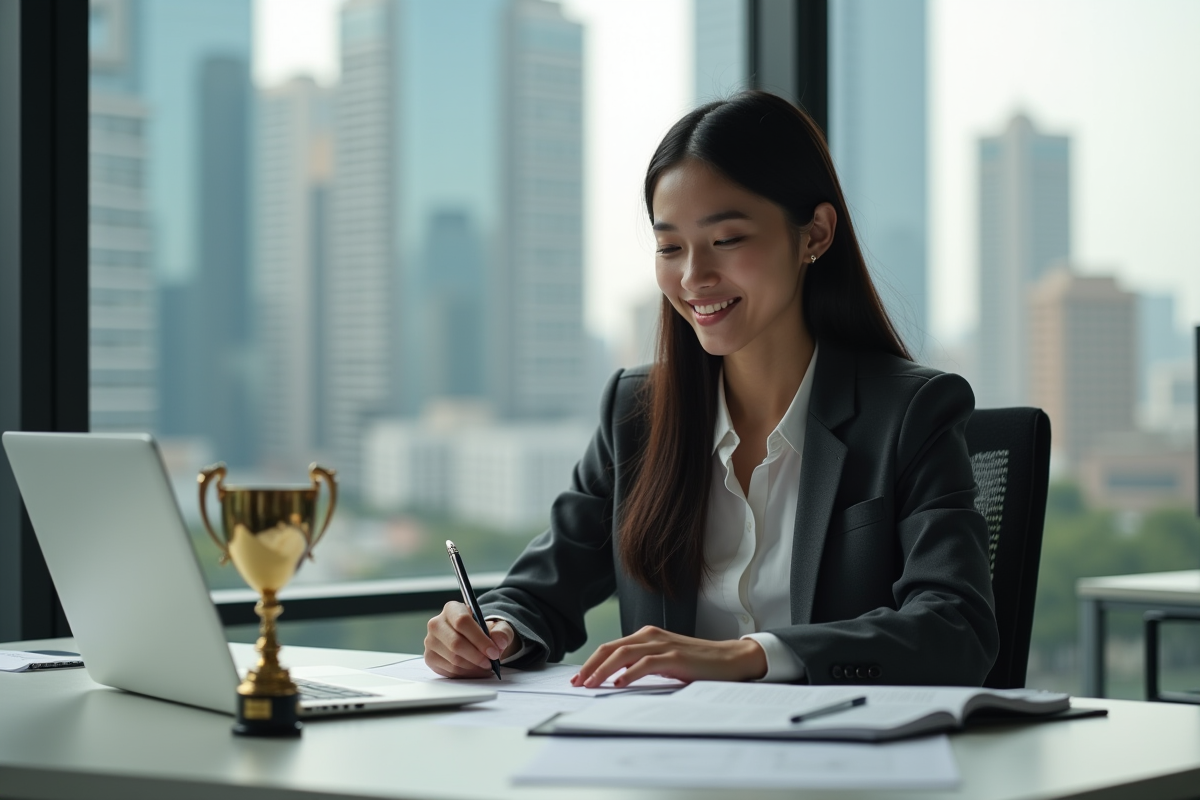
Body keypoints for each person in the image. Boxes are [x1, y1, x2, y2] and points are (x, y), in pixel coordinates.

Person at [424, 90, 999, 687]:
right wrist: (492, 628)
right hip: (671, 745)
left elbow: (955, 627)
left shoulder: (911, 414)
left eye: (726, 240)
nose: (694, 277)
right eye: (670, 247)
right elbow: (541, 589)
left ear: (815, 234)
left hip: (837, 742)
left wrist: (749, 655)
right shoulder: (637, 412)